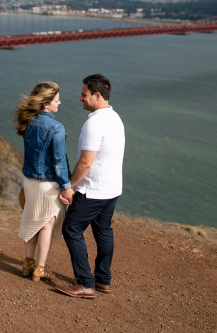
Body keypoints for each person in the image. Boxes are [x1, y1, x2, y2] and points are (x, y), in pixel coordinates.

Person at [55, 74, 125, 299]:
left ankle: (85, 283)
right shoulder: (115, 117)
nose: (80, 99)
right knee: (103, 232)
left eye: (84, 95)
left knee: (71, 229)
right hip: (112, 189)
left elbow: (85, 163)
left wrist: (68, 186)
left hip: (92, 190)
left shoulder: (93, 123)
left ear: (97, 95)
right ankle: (103, 280)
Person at [14, 81, 72, 283]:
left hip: (29, 181)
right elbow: (59, 162)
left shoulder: (28, 122)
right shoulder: (56, 127)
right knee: (47, 225)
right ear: (46, 103)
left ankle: (27, 264)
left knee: (31, 221)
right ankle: (40, 268)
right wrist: (67, 187)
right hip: (48, 185)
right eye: (57, 100)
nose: (60, 102)